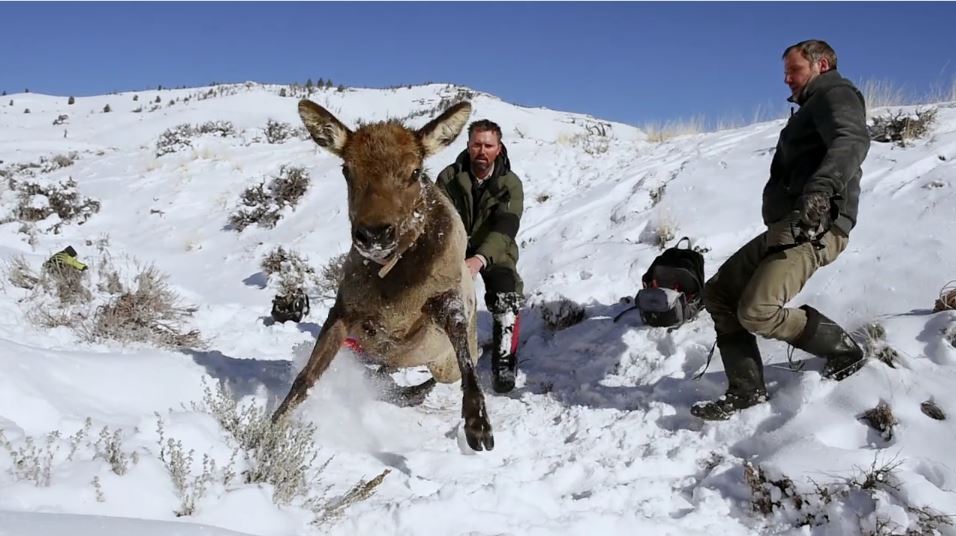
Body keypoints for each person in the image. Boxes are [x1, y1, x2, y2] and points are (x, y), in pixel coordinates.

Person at [692, 39, 871, 420]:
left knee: (756, 311)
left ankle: (843, 349)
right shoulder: (810, 106)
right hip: (789, 226)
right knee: (719, 294)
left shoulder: (834, 94)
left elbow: (852, 139)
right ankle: (746, 389)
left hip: (816, 226)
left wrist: (820, 190)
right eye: (786, 72)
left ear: (821, 65)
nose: (787, 80)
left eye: (795, 71)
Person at [437, 119, 524, 393]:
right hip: (455, 248)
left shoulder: (509, 183)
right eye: (477, 144)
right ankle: (439, 352)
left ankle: (504, 359)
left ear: (499, 149)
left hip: (495, 250)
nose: (482, 151)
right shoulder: (448, 178)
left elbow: (506, 226)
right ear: (468, 146)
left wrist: (480, 258)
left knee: (505, 293)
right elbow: (439, 220)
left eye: (488, 145)